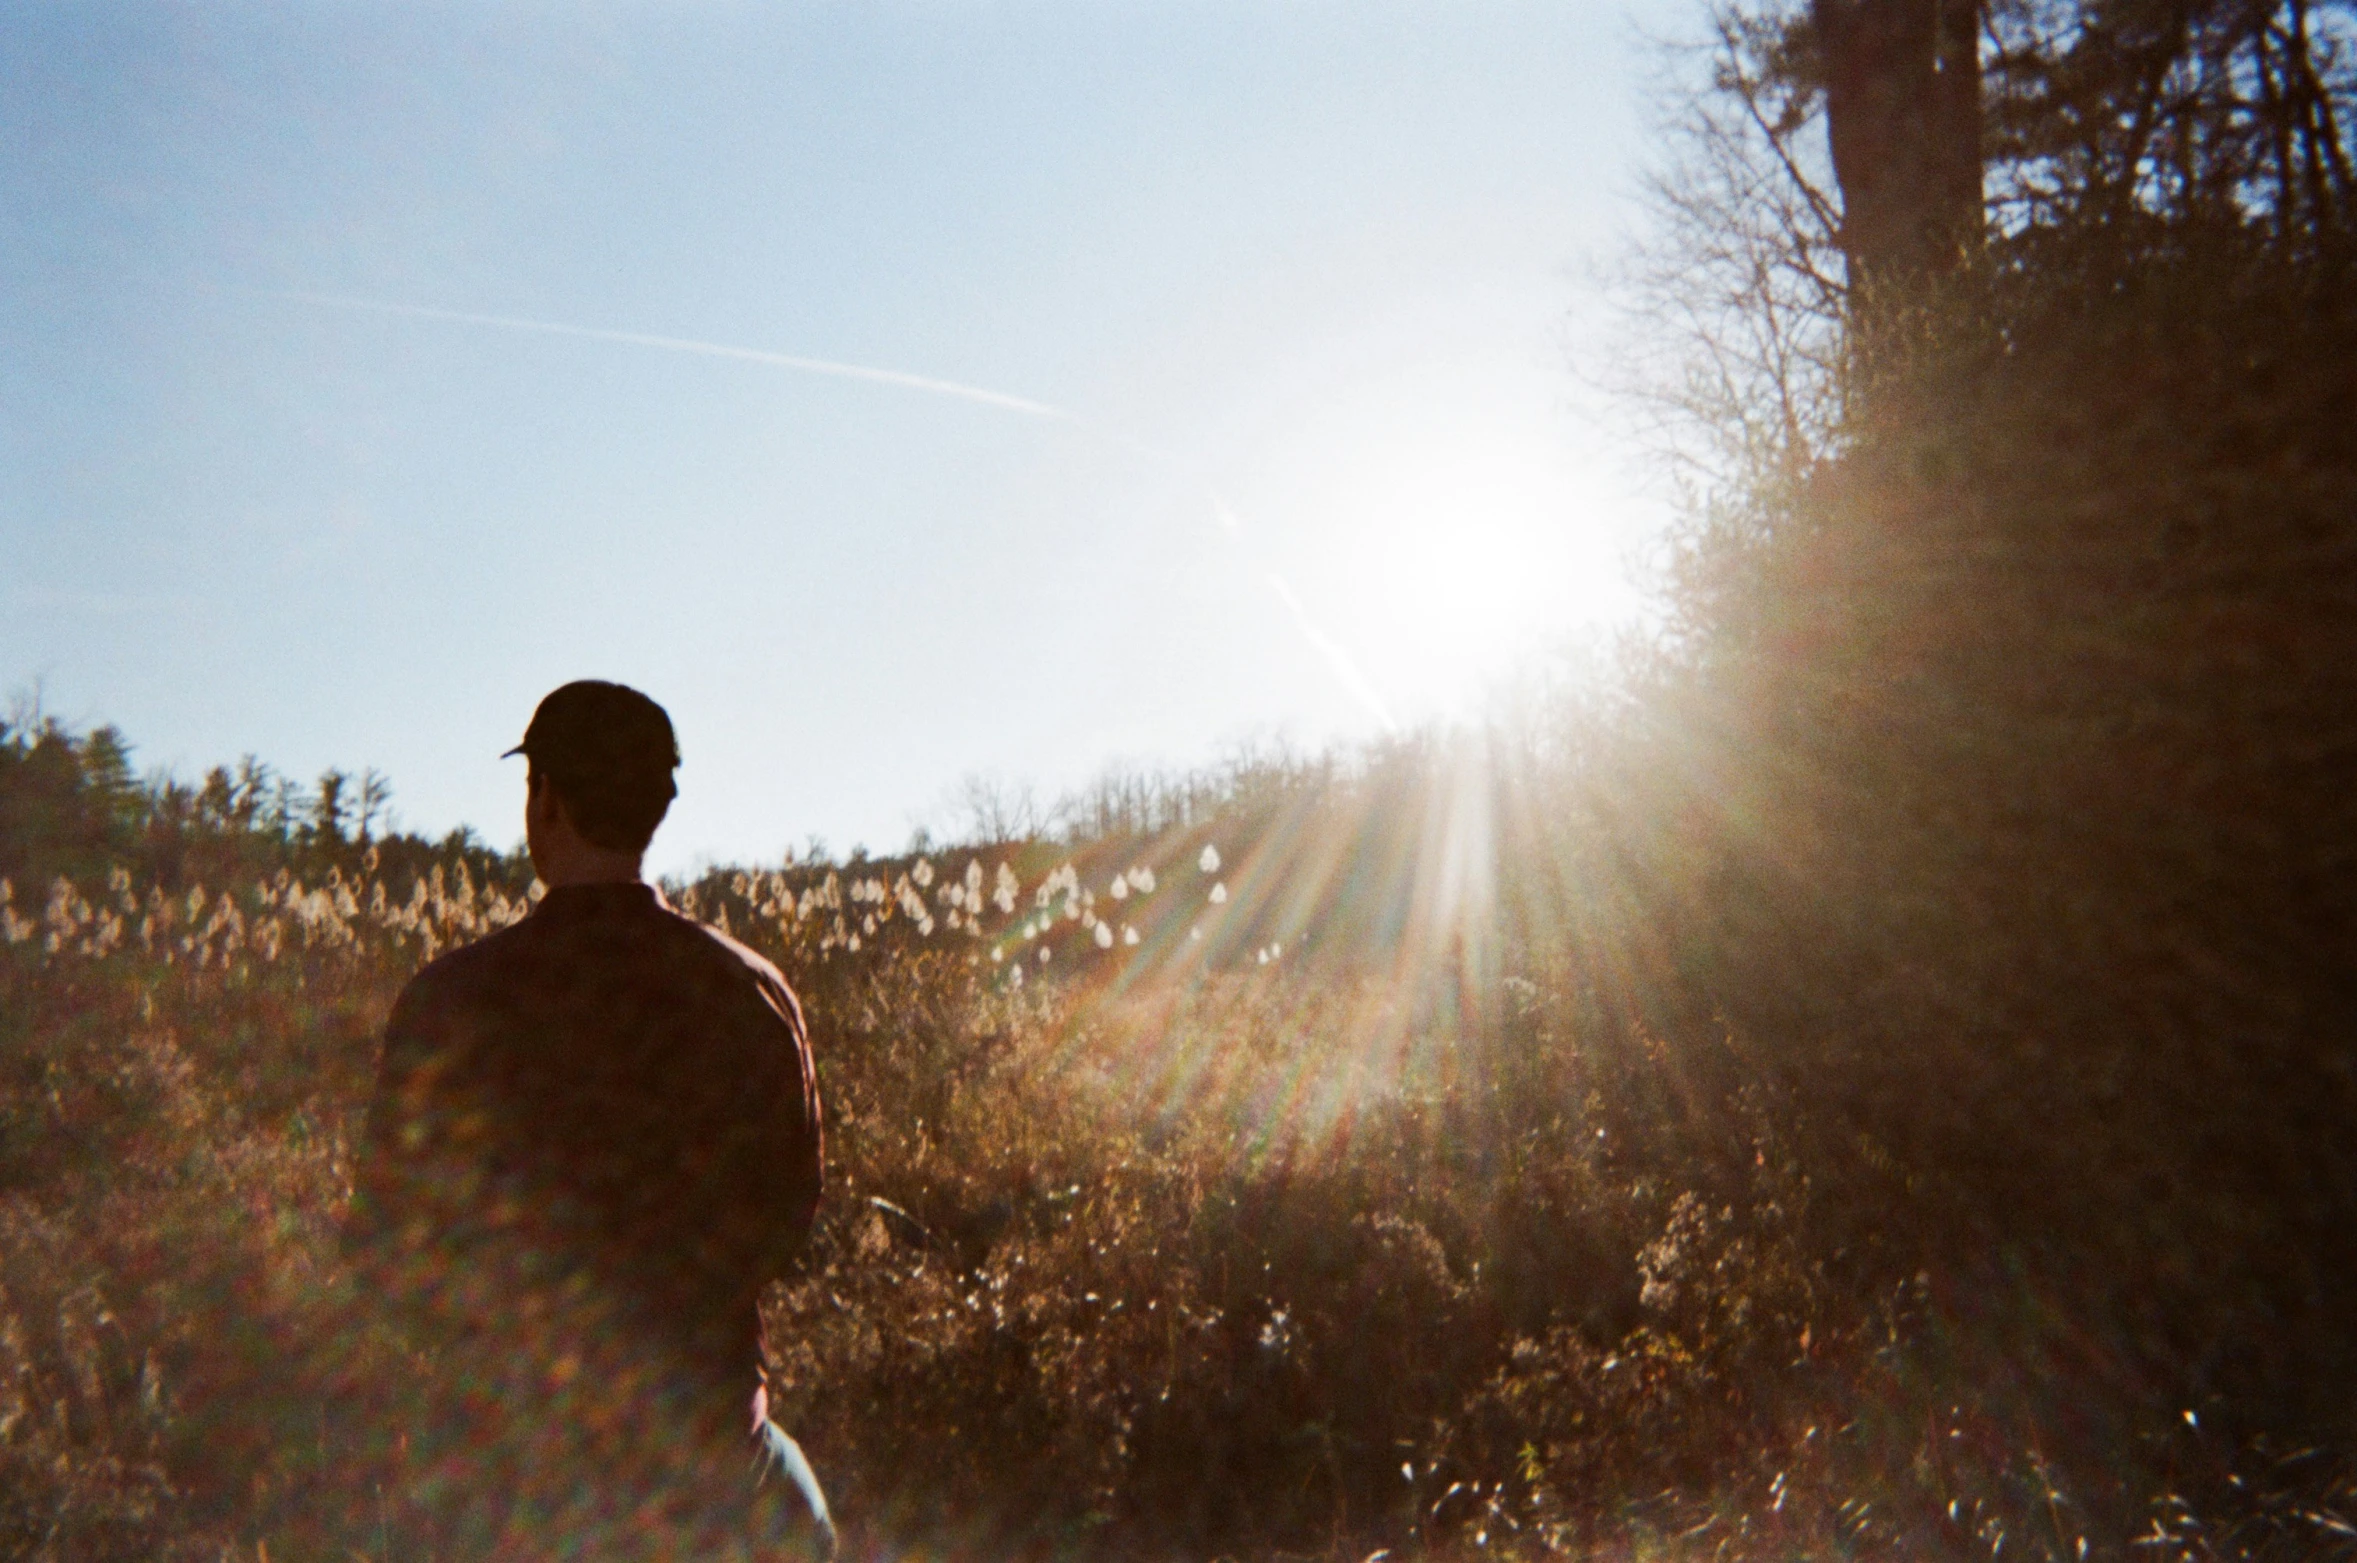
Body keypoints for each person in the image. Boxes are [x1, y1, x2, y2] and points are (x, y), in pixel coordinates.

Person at [344, 680, 832, 1559]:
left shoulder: (449, 1002)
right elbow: (787, 1215)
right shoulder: (753, 991)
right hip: (714, 1449)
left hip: (505, 1467)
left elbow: (386, 1245)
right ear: (658, 807)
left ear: (548, 800)